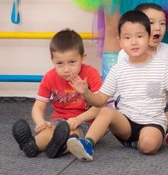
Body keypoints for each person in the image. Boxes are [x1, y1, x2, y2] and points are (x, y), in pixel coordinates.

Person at [66, 11, 168, 161]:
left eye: (139, 36)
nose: (134, 42)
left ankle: (140, 142)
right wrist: (86, 92)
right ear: (120, 42)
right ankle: (87, 144)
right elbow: (100, 100)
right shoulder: (117, 69)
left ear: (149, 38)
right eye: (127, 37)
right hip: (126, 123)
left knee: (148, 146)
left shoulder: (162, 67)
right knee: (106, 111)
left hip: (153, 122)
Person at [12, 30, 101, 158]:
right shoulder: (50, 77)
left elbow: (100, 106)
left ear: (83, 58)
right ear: (52, 60)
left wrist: (79, 119)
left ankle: (59, 148)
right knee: (47, 132)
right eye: (60, 63)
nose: (66, 69)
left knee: (74, 135)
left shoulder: (91, 74)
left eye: (72, 62)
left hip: (85, 121)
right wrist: (40, 122)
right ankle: (32, 145)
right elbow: (38, 106)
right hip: (59, 122)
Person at [117, 3, 168, 70]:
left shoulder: (166, 49)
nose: (158, 28)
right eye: (151, 23)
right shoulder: (125, 53)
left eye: (162, 23)